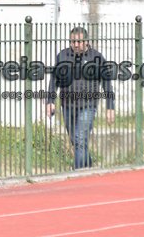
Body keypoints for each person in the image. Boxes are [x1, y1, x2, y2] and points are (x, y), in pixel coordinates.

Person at [45, 26, 115, 169]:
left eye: (79, 41)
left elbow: (106, 83)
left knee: (80, 138)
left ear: (86, 41)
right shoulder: (63, 56)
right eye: (73, 42)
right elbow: (54, 80)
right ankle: (88, 166)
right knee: (76, 141)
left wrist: (110, 107)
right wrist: (50, 101)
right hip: (67, 105)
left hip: (88, 105)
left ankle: (77, 172)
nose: (76, 45)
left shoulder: (96, 57)